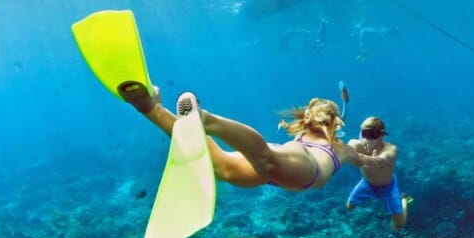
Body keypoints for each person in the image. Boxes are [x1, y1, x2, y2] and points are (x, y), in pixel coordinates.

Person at [118, 81, 372, 190]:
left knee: (221, 168)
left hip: (278, 167)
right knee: (266, 159)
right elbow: (364, 162)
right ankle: (206, 119)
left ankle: (150, 108)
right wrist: (368, 157)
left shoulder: (304, 134)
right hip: (306, 169)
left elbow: (333, 122)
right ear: (335, 123)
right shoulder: (342, 148)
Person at [346, 117, 411, 228]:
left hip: (388, 187)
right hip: (367, 184)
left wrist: (369, 159)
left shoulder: (391, 149)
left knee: (399, 225)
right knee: (349, 207)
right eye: (366, 133)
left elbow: (381, 160)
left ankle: (404, 199)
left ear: (382, 135)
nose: (369, 139)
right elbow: (347, 151)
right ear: (361, 133)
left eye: (374, 134)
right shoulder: (355, 144)